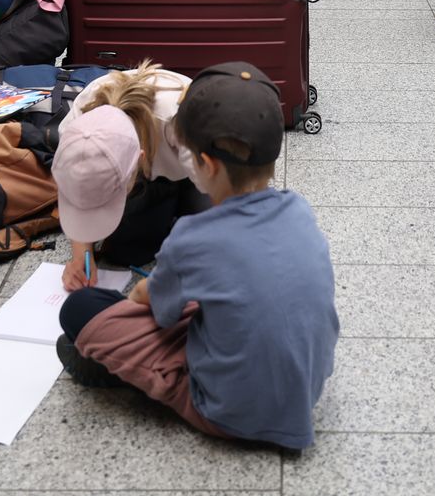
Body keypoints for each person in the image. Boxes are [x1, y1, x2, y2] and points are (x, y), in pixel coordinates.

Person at [55, 62, 337, 452]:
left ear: (204, 164)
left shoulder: (191, 239)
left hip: (226, 411)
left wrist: (152, 288)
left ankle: (119, 372)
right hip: (306, 394)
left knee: (80, 310)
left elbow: (157, 311)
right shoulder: (301, 212)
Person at [54, 63, 205, 287]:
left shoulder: (181, 122)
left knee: (210, 242)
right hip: (155, 167)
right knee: (125, 253)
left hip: (199, 170)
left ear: (140, 159)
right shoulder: (75, 130)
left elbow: (223, 190)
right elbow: (79, 195)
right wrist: (81, 257)